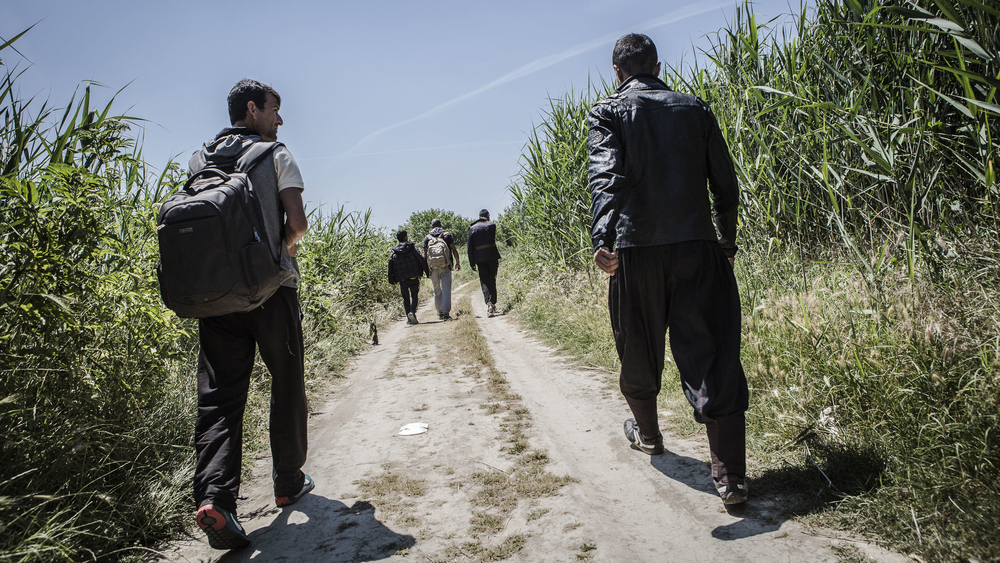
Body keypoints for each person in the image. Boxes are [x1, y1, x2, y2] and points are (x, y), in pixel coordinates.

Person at [588, 34, 749, 505]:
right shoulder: (694, 108)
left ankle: (649, 435)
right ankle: (731, 477)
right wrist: (726, 241)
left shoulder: (608, 111)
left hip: (635, 251)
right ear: (657, 67)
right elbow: (724, 182)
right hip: (697, 248)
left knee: (636, 344)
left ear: (617, 73)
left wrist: (603, 239)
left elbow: (606, 175)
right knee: (712, 352)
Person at [190, 79, 315, 550]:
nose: (279, 120)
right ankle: (287, 481)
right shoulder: (276, 154)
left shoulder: (199, 159)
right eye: (274, 109)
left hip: (217, 299)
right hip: (273, 291)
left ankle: (215, 500)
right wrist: (273, 257)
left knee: (219, 399)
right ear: (252, 109)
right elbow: (297, 223)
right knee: (286, 382)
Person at [388, 229, 430, 324]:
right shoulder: (412, 247)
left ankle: (408, 318)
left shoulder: (394, 251)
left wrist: (391, 279)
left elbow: (390, 263)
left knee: (405, 298)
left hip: (402, 278)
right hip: (414, 276)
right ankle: (412, 313)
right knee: (414, 295)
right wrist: (427, 272)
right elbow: (421, 259)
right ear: (405, 237)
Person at [422, 218, 461, 320]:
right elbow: (454, 249)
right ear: (440, 225)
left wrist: (427, 269)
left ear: (431, 227)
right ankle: (446, 313)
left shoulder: (427, 238)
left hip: (433, 268)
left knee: (436, 289)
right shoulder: (446, 235)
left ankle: (439, 312)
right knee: (446, 289)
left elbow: (425, 256)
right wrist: (457, 262)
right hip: (445, 266)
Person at [466, 209, 502, 317]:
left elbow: (470, 248)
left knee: (485, 281)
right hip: (492, 256)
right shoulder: (492, 225)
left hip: (480, 259)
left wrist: (472, 262)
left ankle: (489, 304)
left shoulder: (472, 229)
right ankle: (493, 303)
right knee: (492, 279)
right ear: (488, 216)